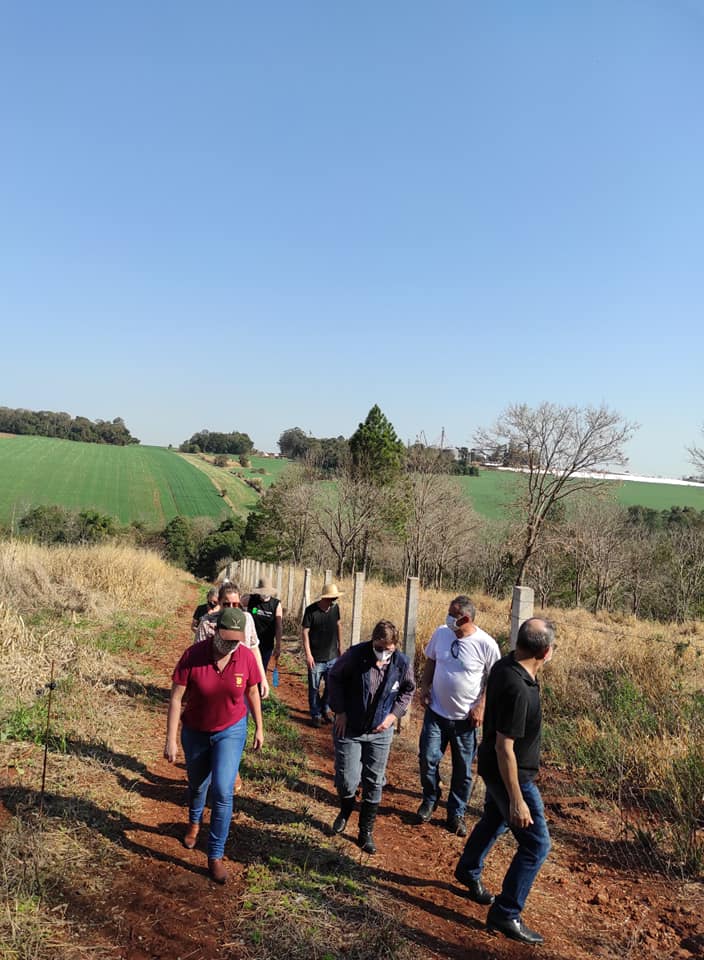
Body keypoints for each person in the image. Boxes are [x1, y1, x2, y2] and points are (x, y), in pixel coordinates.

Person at [453, 618, 555, 946]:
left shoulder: (505, 665)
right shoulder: (519, 689)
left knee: (494, 820)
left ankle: (468, 869)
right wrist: (517, 799)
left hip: (492, 767)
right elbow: (504, 747)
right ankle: (506, 911)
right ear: (546, 652)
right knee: (536, 845)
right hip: (511, 775)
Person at [164, 606, 264, 884]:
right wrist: (171, 739)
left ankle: (215, 855)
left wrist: (259, 726)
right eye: (226, 639)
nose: (230, 645)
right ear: (216, 632)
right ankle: (194, 822)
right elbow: (176, 698)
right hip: (196, 730)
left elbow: (252, 691)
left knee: (223, 790)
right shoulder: (193, 656)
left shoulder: (245, 657)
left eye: (236, 641)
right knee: (198, 785)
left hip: (230, 730)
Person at [327, 620, 415, 854]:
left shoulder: (401, 663)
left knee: (374, 781)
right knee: (347, 780)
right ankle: (346, 809)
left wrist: (393, 717)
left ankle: (365, 832)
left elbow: (408, 690)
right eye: (379, 647)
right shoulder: (355, 656)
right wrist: (340, 711)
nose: (383, 653)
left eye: (388, 649)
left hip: (380, 731)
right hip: (350, 728)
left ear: (395, 646)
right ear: (372, 641)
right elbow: (334, 677)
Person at [417, 596, 500, 836]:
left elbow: (495, 679)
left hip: (465, 720)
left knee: (463, 770)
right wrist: (425, 685)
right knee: (427, 758)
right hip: (436, 712)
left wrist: (481, 706)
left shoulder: (486, 644)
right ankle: (430, 797)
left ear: (466, 618)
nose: (448, 618)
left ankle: (456, 813)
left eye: (453, 615)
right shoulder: (441, 633)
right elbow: (432, 659)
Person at [195, 583, 269, 700]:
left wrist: (262, 678)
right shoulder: (207, 622)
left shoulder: (247, 619)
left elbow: (254, 648)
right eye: (226, 604)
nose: (231, 608)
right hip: (214, 682)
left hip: (241, 680)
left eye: (235, 604)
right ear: (219, 603)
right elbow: (198, 654)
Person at [301, 583, 343, 727]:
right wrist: (308, 654)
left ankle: (325, 709)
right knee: (314, 688)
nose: (334, 600)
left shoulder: (335, 609)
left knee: (331, 686)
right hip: (316, 658)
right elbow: (305, 632)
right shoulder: (311, 611)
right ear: (325, 597)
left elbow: (338, 625)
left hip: (332, 656)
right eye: (332, 598)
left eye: (335, 598)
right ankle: (315, 714)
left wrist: (340, 646)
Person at [244, 577, 283, 674]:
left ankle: (260, 683)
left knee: (261, 669)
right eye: (263, 592)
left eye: (267, 592)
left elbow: (278, 626)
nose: (265, 594)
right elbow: (237, 604)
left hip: (266, 643)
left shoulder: (276, 604)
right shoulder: (251, 599)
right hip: (251, 641)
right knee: (248, 668)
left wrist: (278, 645)